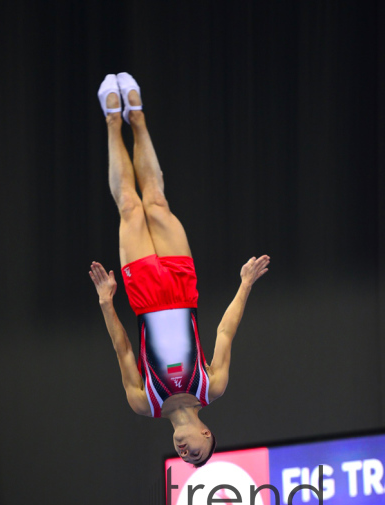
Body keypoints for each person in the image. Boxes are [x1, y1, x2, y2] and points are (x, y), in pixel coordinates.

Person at [90, 72, 270, 467]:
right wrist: (244, 285)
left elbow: (122, 348)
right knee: (156, 202)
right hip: (182, 291)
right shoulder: (213, 387)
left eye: (185, 458)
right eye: (198, 454)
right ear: (207, 434)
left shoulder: (143, 403)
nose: (186, 454)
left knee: (128, 206)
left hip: (145, 300)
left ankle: (112, 120)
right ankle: (137, 116)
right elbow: (225, 330)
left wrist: (106, 302)